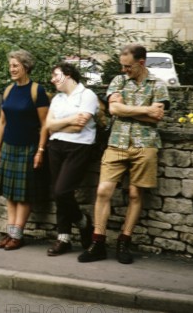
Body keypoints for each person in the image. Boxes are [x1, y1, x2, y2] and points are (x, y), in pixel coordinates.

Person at [79, 44, 169, 265]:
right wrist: (146, 110)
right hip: (117, 143)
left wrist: (133, 111)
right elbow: (114, 110)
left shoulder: (158, 85)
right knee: (103, 191)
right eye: (122, 66)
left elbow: (156, 117)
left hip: (145, 145)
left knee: (135, 195)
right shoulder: (118, 81)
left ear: (141, 62)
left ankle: (124, 241)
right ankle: (98, 241)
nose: (124, 70)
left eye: (128, 66)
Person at [0, 50, 49, 251]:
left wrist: (40, 151)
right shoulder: (8, 90)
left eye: (15, 65)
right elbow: (1, 122)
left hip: (28, 148)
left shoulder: (37, 91)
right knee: (10, 194)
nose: (12, 69)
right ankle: (11, 233)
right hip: (9, 146)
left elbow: (45, 124)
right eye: (10, 66)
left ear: (26, 66)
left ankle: (17, 235)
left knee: (23, 195)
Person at [45, 63, 98, 256]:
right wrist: (68, 121)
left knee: (62, 191)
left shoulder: (87, 96)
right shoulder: (57, 99)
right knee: (58, 193)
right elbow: (48, 126)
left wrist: (58, 125)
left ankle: (84, 222)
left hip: (79, 147)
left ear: (68, 75)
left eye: (55, 75)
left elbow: (79, 127)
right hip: (56, 146)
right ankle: (63, 238)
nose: (52, 79)